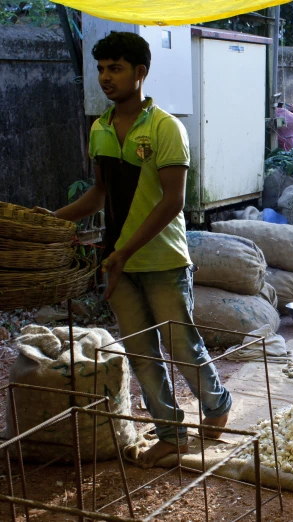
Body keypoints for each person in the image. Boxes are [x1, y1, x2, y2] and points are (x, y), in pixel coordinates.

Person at [34, 32, 232, 467]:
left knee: (180, 345)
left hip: (162, 259)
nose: (106, 77)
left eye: (116, 68)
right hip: (117, 260)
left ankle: (217, 405)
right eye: (102, 69)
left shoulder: (165, 128)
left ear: (140, 72)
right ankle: (170, 433)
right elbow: (98, 194)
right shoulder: (100, 128)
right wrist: (49, 219)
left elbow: (173, 200)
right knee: (142, 353)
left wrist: (123, 252)